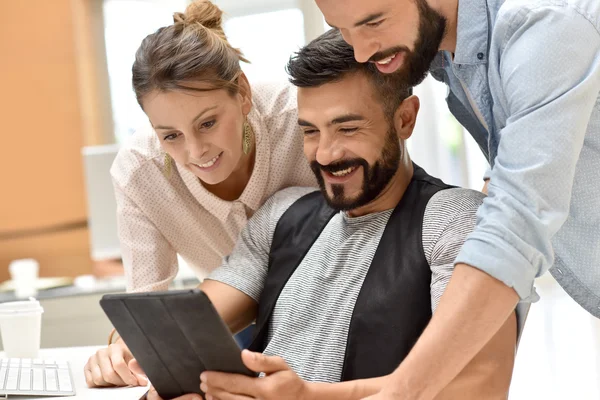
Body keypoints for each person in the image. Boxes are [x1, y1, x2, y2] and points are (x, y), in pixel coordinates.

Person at [140, 29, 517, 400]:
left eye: (347, 128)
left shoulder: (453, 219)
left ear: (404, 119)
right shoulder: (282, 213)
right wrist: (154, 363)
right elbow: (190, 326)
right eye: (310, 131)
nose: (325, 154)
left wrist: (308, 397)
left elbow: (479, 383)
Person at [314, 0, 600, 399]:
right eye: (341, 28)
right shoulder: (447, 56)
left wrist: (403, 389)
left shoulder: (543, 24)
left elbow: (517, 223)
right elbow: (515, 167)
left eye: (373, 22)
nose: (361, 51)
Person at [84, 0, 316, 388]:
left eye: (207, 122)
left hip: (330, 310)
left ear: (242, 92)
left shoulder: (300, 120)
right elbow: (145, 303)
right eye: (170, 135)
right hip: (230, 323)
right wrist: (119, 351)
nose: (196, 152)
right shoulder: (140, 170)